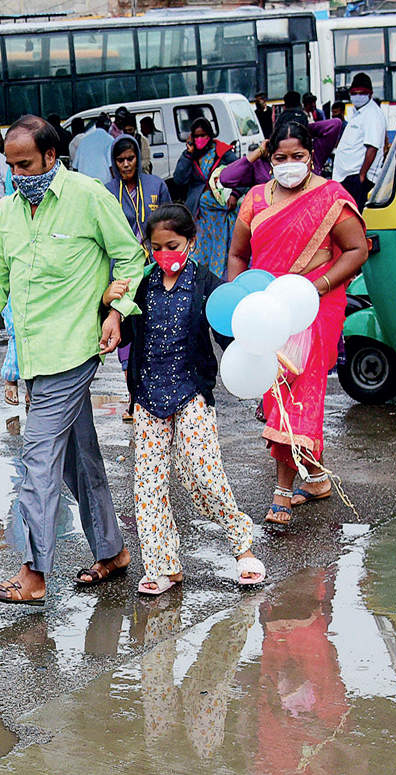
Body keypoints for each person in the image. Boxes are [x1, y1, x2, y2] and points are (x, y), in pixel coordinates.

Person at [0, 115, 146, 605]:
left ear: (50, 157)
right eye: (11, 166)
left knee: (37, 461)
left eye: (26, 164)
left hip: (74, 350)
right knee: (77, 461)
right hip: (33, 355)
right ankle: (112, 549)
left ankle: (32, 574)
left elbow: (130, 257)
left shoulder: (87, 197)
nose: (19, 175)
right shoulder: (5, 214)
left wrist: (116, 312)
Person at [226, 120, 369, 527]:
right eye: (281, 158)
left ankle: (282, 493)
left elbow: (357, 248)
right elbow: (238, 254)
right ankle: (318, 479)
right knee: (276, 394)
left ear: (312, 156)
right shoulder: (254, 200)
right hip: (265, 311)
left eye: (298, 157)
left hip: (312, 310)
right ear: (270, 158)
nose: (289, 164)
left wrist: (315, 287)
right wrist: (239, 297)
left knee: (295, 394)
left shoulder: (330, 199)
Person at [119, 204, 266, 594]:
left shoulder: (207, 284)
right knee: (148, 485)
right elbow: (129, 336)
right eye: (156, 247)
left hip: (191, 392)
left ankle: (243, 547)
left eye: (173, 245)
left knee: (204, 474)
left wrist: (258, 350)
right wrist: (110, 303)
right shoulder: (142, 285)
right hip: (148, 395)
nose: (164, 254)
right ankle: (163, 565)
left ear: (191, 241)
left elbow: (228, 336)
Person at [107, 135, 171, 421]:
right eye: (120, 160)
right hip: (122, 273)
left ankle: (156, 395)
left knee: (155, 329)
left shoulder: (156, 186)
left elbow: (170, 224)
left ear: (138, 158)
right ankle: (134, 397)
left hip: (155, 269)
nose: (126, 164)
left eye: (130, 158)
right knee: (127, 334)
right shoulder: (108, 192)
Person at [173, 117, 239, 278]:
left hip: (220, 214)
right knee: (201, 250)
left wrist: (235, 194)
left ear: (209, 135)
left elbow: (241, 172)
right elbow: (179, 180)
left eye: (203, 135)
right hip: (199, 214)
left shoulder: (221, 152)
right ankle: (202, 281)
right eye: (196, 136)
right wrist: (188, 155)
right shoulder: (191, 155)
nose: (200, 139)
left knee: (222, 248)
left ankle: (220, 280)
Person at [332, 73, 387, 210]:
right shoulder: (359, 113)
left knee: (353, 217)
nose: (357, 96)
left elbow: (372, 148)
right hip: (349, 177)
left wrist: (361, 175)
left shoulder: (372, 114)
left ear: (370, 94)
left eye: (362, 93)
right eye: (354, 93)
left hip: (357, 178)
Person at [72, 113, 116, 182]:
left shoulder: (84, 140)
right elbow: (112, 167)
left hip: (85, 185)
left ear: (96, 125)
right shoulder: (110, 140)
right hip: (104, 184)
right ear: (109, 126)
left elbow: (75, 168)